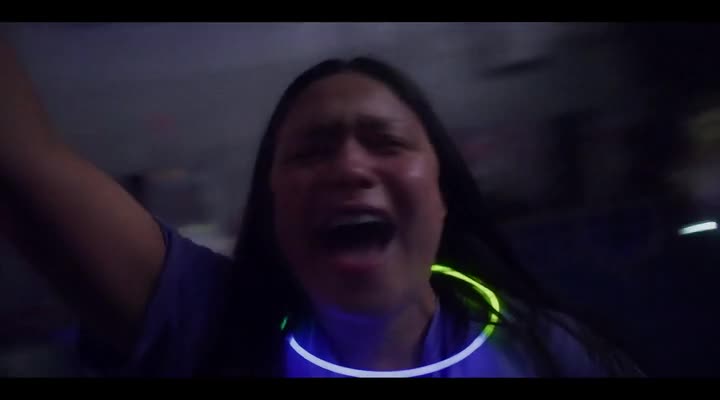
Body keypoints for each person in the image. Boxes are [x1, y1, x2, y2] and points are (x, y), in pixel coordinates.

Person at [0, 34, 643, 378]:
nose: (350, 167)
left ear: (441, 195)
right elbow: (17, 158)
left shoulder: (555, 355)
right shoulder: (211, 327)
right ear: (274, 208)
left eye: (385, 141)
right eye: (311, 151)